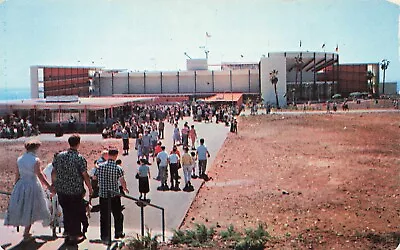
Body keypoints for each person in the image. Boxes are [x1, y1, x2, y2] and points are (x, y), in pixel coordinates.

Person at [4, 140, 52, 241]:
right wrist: (48, 185)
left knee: (24, 206)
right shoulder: (36, 160)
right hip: (32, 184)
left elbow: (17, 174)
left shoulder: (20, 159)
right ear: (35, 148)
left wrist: (16, 185)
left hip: (21, 184)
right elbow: (39, 174)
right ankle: (26, 233)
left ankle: (26, 231)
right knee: (31, 207)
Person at [52, 134, 93, 245]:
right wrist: (90, 187)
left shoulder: (59, 156)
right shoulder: (79, 158)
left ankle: (68, 232)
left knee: (66, 212)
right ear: (78, 144)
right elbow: (85, 175)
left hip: (62, 189)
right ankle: (73, 236)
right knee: (75, 213)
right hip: (75, 190)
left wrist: (53, 185)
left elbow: (54, 172)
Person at [95, 148, 129, 242]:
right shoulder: (118, 168)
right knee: (118, 215)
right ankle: (118, 232)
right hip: (114, 194)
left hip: (103, 195)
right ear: (116, 156)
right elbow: (122, 181)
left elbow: (95, 176)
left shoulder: (100, 166)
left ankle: (104, 235)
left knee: (104, 216)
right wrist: (125, 188)